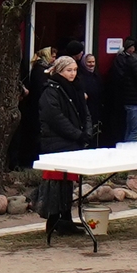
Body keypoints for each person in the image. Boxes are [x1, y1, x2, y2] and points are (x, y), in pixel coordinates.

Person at [35, 56, 94, 237]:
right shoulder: (51, 91)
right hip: (56, 143)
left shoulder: (76, 89)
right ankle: (53, 221)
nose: (73, 74)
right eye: (69, 70)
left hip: (72, 142)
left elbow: (85, 113)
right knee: (55, 183)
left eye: (75, 70)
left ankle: (66, 219)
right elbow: (55, 118)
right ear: (60, 70)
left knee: (68, 183)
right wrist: (77, 134)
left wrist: (87, 133)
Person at [114, 40, 137, 145]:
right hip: (136, 101)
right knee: (136, 131)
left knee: (130, 130)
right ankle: (127, 152)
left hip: (131, 100)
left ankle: (124, 150)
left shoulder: (132, 59)